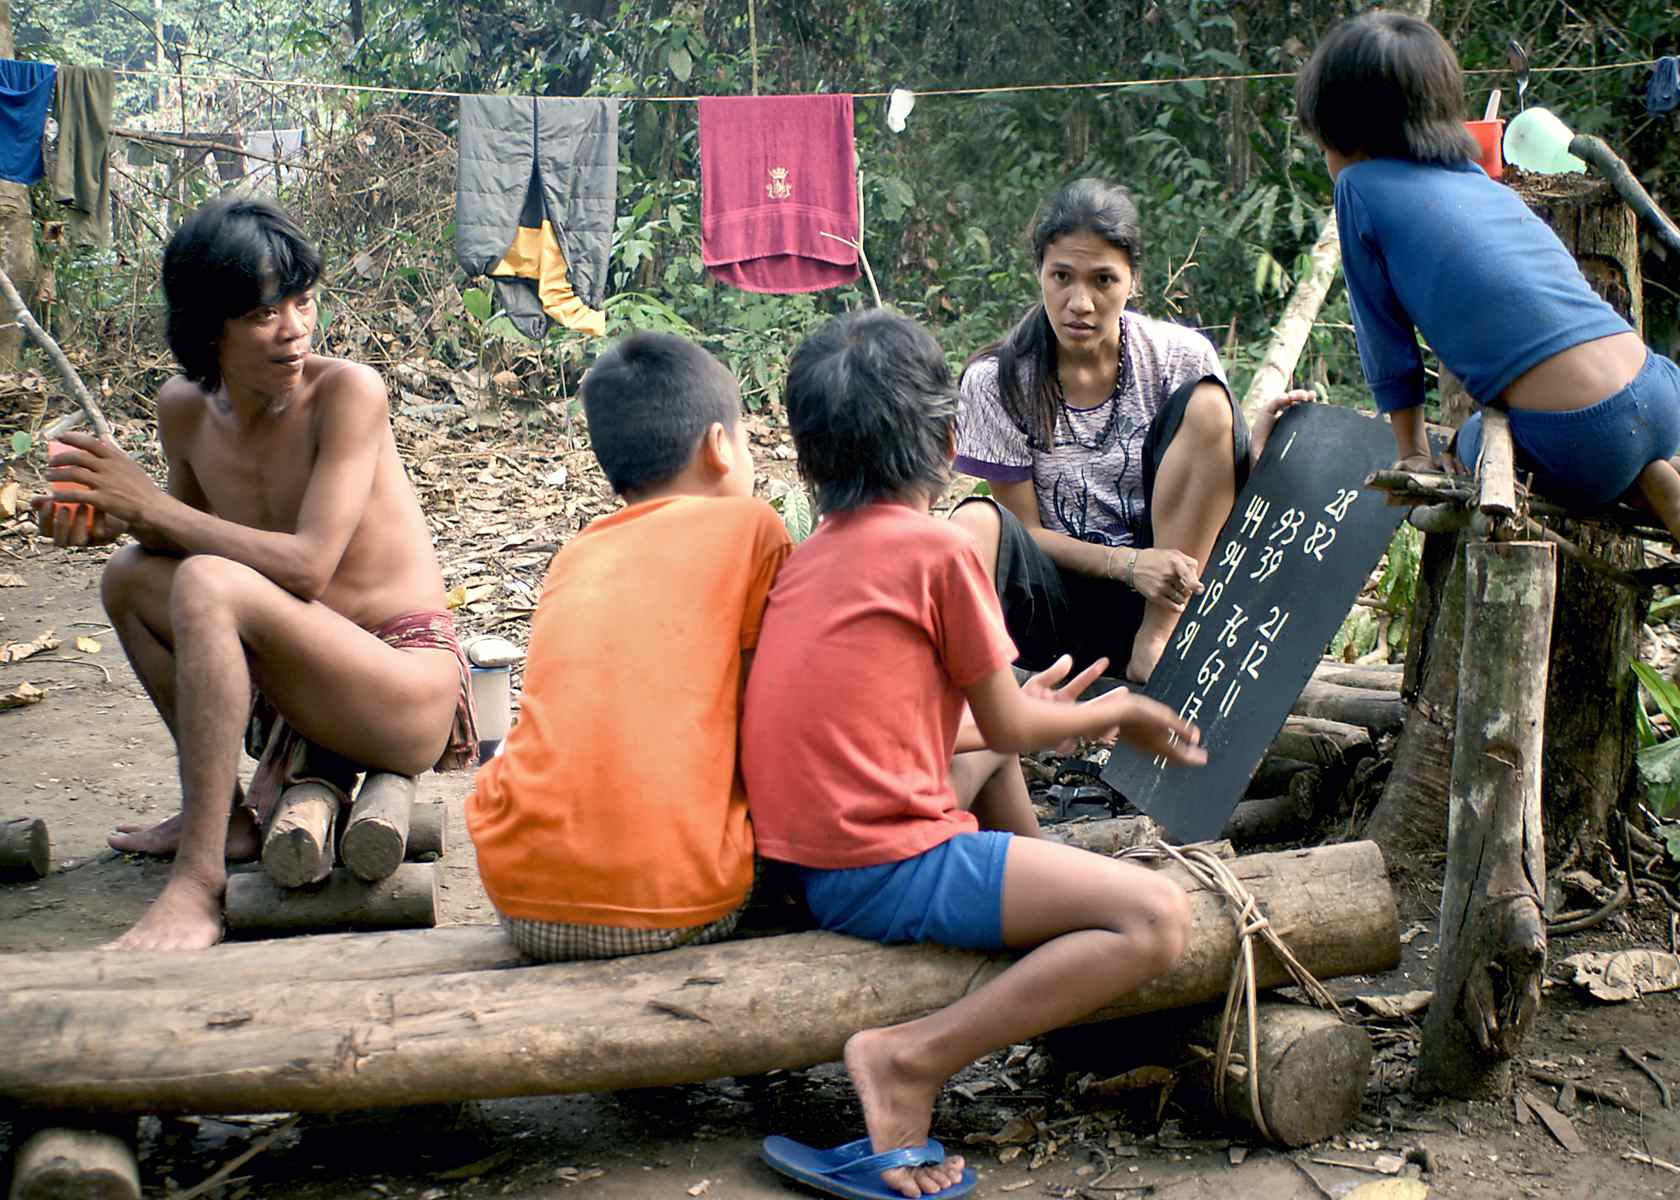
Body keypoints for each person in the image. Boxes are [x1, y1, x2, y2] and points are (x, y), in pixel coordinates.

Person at [742, 310, 1207, 1200]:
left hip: (814, 858)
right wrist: (1119, 711)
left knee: (1005, 782)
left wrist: (1018, 716)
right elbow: (1012, 730)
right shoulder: (935, 551)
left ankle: (1046, 914)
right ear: (950, 439)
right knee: (1158, 920)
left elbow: (936, 732)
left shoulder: (806, 559)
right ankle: (910, 1063)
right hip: (883, 866)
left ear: (806, 459)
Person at [33, 197, 475, 951]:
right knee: (132, 579)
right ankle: (226, 821)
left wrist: (148, 507)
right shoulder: (185, 411)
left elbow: (305, 568)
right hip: (302, 688)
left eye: (303, 302)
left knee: (206, 582)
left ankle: (198, 885)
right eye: (265, 312)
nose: (295, 328)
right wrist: (108, 518)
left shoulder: (348, 392)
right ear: (212, 325)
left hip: (399, 690)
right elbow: (176, 541)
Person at [465, 333, 793, 960]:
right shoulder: (753, 527)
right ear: (720, 447)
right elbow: (763, 727)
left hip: (522, 895)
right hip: (676, 901)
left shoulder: (575, 552)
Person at [1297, 12, 1680, 537]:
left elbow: (1386, 344)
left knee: (1469, 441)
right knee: (1610, 443)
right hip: (1658, 387)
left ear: (1342, 131)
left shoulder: (1359, 188)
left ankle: (1629, 469)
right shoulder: (1478, 179)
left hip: (1581, 433)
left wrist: (1414, 453)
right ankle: (1654, 472)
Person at [949, 178, 1311, 686]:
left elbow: (1208, 501)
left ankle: (1156, 645)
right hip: (1054, 611)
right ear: (1040, 274)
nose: (1080, 302)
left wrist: (1254, 453)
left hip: (1165, 605)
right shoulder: (998, 380)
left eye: (1103, 280)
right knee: (974, 522)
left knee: (1211, 405)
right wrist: (1127, 563)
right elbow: (1025, 534)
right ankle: (977, 688)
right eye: (1062, 277)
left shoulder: (1181, 357)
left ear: (1133, 281)